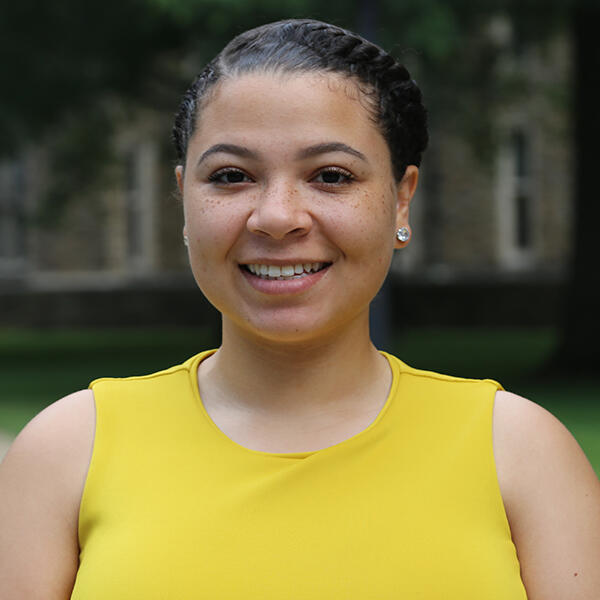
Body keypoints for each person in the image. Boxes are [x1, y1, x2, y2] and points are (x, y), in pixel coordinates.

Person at [1, 18, 599, 599]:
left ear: (400, 200)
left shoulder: (519, 451)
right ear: (183, 198)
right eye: (233, 176)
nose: (278, 216)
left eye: (331, 176)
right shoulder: (68, 450)